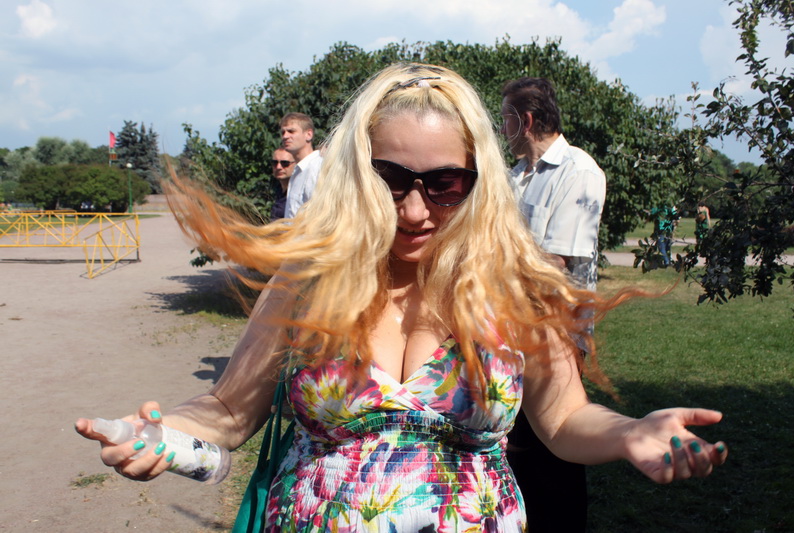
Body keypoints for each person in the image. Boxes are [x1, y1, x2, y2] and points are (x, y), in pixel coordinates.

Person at [76, 63, 727, 532]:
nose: (415, 211)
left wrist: (629, 432)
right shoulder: (308, 283)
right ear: (357, 174)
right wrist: (166, 432)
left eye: (445, 184)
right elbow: (227, 408)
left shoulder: (515, 290)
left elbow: (563, 420)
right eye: (390, 178)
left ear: (478, 183)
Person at [500, 76, 606, 531]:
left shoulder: (578, 172)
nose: (501, 128)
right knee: (517, 449)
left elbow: (555, 261)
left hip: (555, 337)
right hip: (509, 331)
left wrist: (488, 264)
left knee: (555, 455)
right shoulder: (514, 176)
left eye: (504, 119)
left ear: (525, 120)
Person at [280, 112, 322, 218]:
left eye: (291, 131)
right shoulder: (297, 170)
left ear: (309, 135)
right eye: (283, 132)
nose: (285, 136)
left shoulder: (318, 167)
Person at [269, 147, 296, 221]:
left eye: (285, 163)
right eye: (274, 163)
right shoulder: (278, 190)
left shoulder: (299, 193)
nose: (278, 167)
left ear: (296, 164)